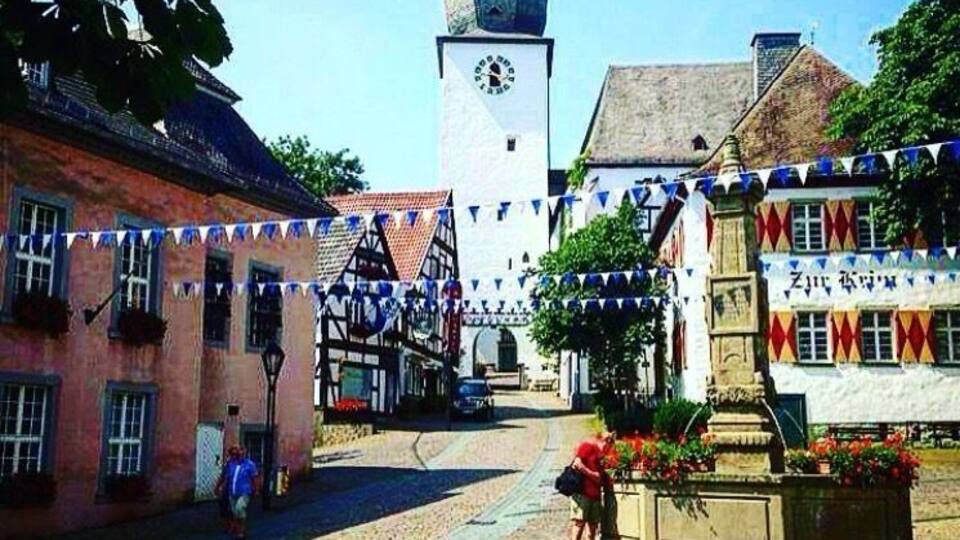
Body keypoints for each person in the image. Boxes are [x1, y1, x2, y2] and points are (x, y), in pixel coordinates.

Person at [569, 431, 615, 540]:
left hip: (595, 495)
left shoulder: (601, 456)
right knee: (579, 524)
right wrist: (593, 475)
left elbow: (601, 476)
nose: (609, 450)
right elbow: (577, 463)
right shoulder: (588, 446)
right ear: (605, 441)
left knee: (593, 527)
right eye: (609, 446)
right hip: (583, 493)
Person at [215, 446, 259, 540]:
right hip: (232, 492)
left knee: (240, 508)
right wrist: (219, 487)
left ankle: (241, 531)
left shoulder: (250, 465)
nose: (239, 455)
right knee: (234, 511)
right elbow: (225, 476)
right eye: (237, 454)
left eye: (241, 454)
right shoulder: (231, 464)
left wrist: (256, 489)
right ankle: (236, 528)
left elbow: (254, 478)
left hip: (244, 492)